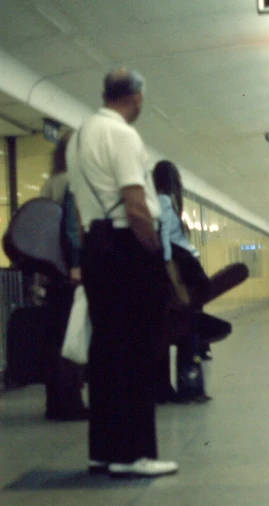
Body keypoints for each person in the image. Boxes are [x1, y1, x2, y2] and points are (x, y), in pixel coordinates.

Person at [66, 68, 177, 477]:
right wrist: (152, 255)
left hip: (97, 248)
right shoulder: (123, 135)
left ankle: (104, 452)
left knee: (106, 352)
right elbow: (134, 203)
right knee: (138, 350)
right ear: (135, 97)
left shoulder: (79, 136)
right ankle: (135, 455)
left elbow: (79, 210)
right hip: (128, 248)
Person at [39, 131, 88, 421]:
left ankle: (53, 403)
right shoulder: (73, 182)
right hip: (69, 271)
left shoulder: (49, 183)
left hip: (50, 271)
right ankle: (72, 402)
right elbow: (72, 227)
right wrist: (77, 264)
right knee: (73, 336)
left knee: (53, 338)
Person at [152, 160, 210, 403]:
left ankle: (166, 390)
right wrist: (166, 270)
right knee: (188, 328)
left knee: (169, 331)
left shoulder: (159, 201)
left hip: (169, 270)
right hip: (174, 271)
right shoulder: (165, 202)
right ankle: (189, 388)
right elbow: (163, 236)